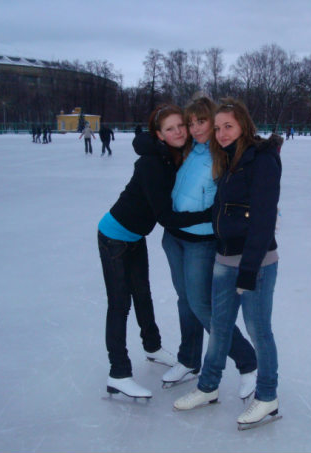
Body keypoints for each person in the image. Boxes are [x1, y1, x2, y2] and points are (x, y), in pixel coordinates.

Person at [174, 98, 283, 430]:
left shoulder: (262, 159)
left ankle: (267, 396)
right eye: (218, 127)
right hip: (224, 257)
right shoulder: (227, 158)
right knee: (219, 328)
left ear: (244, 125)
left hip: (256, 263)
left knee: (258, 331)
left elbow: (263, 219)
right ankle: (208, 387)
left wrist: (249, 269)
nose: (221, 133)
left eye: (228, 126)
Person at [98, 104, 212, 399]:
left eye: (180, 126)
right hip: (114, 236)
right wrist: (210, 215)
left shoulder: (174, 154)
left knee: (143, 294)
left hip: (135, 237)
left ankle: (152, 346)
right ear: (159, 135)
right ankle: (118, 373)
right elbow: (166, 217)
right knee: (120, 304)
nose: (179, 132)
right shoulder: (151, 163)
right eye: (170, 129)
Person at [161, 96, 258, 398]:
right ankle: (189, 360)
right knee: (185, 301)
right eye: (191, 122)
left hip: (200, 242)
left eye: (201, 121)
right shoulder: (190, 149)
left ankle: (248, 362)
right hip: (174, 238)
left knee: (201, 305)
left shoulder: (223, 155)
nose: (195, 128)